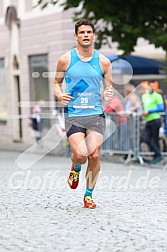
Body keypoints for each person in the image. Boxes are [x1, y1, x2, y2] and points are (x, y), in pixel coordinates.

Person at [53, 19, 114, 208]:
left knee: (94, 156)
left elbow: (109, 87)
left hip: (96, 114)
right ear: (76, 36)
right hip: (74, 114)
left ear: (93, 35)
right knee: (80, 154)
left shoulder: (104, 62)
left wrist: (109, 92)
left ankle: (88, 195)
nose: (86, 35)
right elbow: (56, 83)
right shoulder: (65, 59)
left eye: (89, 32)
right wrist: (60, 94)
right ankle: (76, 167)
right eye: (82, 32)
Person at [142, 81, 164, 164]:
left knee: (155, 139)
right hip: (148, 120)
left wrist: (149, 111)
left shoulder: (157, 96)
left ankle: (157, 156)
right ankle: (158, 154)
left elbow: (161, 108)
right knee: (146, 138)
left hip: (155, 119)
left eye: (152, 86)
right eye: (149, 86)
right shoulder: (144, 96)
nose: (150, 87)